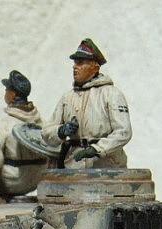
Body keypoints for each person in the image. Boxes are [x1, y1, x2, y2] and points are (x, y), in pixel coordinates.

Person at [41, 38, 132, 169]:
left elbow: (123, 132)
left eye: (80, 62)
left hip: (106, 165)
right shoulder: (67, 97)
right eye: (75, 62)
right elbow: (46, 133)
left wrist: (97, 149)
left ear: (95, 67)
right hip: (73, 164)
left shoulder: (111, 94)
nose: (75, 67)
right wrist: (60, 131)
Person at [0, 70, 45, 197]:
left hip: (11, 181)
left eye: (7, 90)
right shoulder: (42, 122)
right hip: (36, 179)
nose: (5, 93)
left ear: (13, 94)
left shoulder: (4, 124)